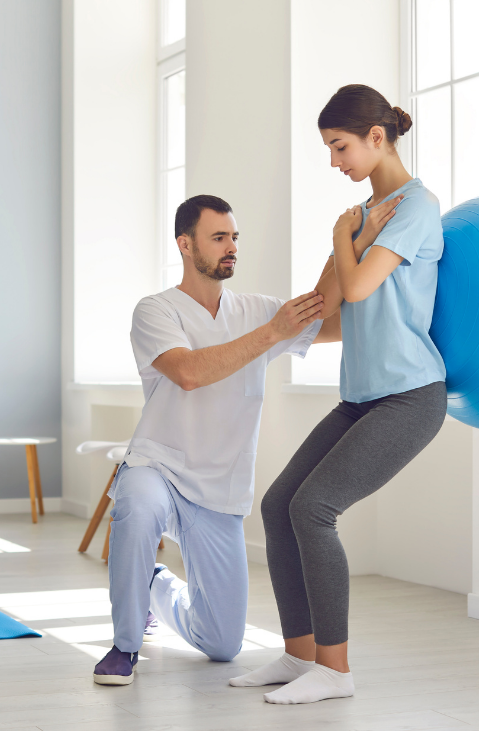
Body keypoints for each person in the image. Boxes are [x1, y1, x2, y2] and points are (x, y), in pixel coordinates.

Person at [233, 84, 448, 704]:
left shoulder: (417, 207)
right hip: (361, 397)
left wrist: (340, 235)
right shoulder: (362, 216)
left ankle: (336, 669)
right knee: (279, 506)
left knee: (314, 509)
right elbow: (328, 302)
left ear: (376, 138)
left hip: (410, 396)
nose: (335, 162)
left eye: (340, 146)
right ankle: (300, 657)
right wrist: (348, 233)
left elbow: (357, 290)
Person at [93, 194, 342, 685]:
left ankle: (155, 585)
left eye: (234, 238)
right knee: (138, 510)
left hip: (219, 486)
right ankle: (124, 646)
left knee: (224, 645)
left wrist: (342, 250)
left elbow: (327, 319)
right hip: (157, 465)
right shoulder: (155, 310)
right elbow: (187, 372)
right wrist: (272, 334)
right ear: (185, 245)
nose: (231, 247)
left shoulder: (257, 310)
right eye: (218, 238)